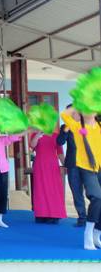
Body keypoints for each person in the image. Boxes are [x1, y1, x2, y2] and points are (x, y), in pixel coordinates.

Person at [60, 106, 101, 250]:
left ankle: (96, 234)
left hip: (99, 167)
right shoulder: (77, 126)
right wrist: (79, 101)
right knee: (97, 197)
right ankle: (88, 233)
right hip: (85, 167)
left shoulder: (99, 126)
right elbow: (64, 114)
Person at [57, 105, 86, 227]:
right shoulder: (65, 127)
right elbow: (59, 142)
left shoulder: (87, 125)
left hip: (88, 165)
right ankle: (82, 218)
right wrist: (66, 129)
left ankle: (96, 218)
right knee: (76, 191)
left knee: (93, 193)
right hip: (73, 164)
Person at [29, 130, 66, 224]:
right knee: (40, 189)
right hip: (40, 165)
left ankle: (54, 214)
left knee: (53, 190)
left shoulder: (56, 135)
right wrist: (38, 135)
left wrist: (66, 165)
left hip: (52, 166)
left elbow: (60, 152)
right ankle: (41, 214)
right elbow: (32, 146)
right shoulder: (35, 134)